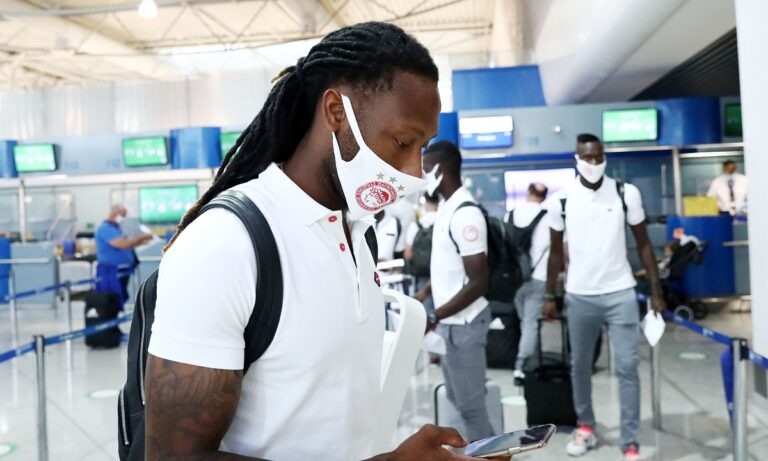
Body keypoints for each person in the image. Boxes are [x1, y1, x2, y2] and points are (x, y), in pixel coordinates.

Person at [144, 22, 501, 461]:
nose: (413, 171)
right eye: (403, 142)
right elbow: (174, 457)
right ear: (336, 111)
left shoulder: (357, 233)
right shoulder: (226, 244)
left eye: (422, 147)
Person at [545, 134, 665, 461]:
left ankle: (629, 440)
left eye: (599, 157)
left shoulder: (626, 193)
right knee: (580, 366)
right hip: (579, 295)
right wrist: (550, 294)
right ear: (577, 159)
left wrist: (656, 290)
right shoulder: (562, 200)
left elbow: (643, 244)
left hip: (620, 292)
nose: (594, 163)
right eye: (588, 158)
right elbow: (555, 254)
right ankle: (585, 426)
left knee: (627, 366)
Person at [416, 140, 496, 442]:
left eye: (426, 169)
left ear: (441, 170)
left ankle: (492, 455)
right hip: (450, 323)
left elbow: (478, 282)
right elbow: (448, 267)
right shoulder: (446, 208)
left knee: (472, 408)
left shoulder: (465, 214)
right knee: (457, 399)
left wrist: (435, 315)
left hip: (465, 324)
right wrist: (425, 294)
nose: (422, 175)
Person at [510, 182, 549, 382]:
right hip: (539, 276)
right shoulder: (548, 217)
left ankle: (528, 358)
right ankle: (522, 364)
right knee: (530, 323)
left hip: (515, 277)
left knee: (523, 321)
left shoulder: (510, 215)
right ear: (544, 197)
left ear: (528, 193)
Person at [94, 205, 152, 308]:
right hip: (111, 272)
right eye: (122, 215)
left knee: (119, 298)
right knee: (111, 300)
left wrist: (141, 241)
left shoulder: (116, 229)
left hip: (122, 271)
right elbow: (123, 244)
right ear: (114, 213)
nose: (123, 218)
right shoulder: (105, 228)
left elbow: (128, 243)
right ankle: (110, 317)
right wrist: (142, 237)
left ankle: (115, 316)